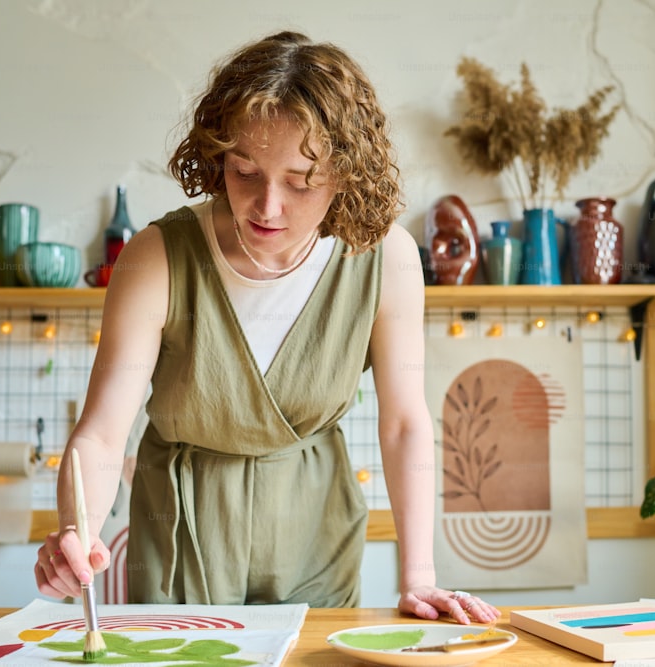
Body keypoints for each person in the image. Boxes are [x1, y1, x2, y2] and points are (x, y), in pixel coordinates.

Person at [35, 30, 499, 625]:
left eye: (301, 180)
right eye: (244, 171)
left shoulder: (390, 259)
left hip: (316, 528)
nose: (267, 206)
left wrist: (420, 579)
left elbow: (406, 422)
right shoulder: (155, 256)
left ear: (345, 172)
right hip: (180, 528)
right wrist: (77, 532)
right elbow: (101, 435)